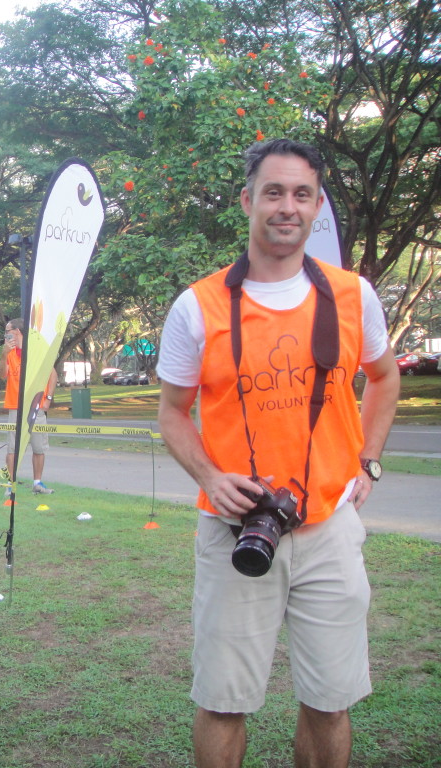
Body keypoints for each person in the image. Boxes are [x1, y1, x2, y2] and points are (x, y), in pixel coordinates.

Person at [156, 139, 399, 768]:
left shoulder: (353, 295)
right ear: (247, 201)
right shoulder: (198, 306)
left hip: (329, 532)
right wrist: (211, 475)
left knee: (330, 699)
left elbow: (385, 375)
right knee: (222, 700)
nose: (286, 207)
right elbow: (171, 412)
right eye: (273, 192)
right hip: (233, 531)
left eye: (301, 194)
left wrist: (368, 459)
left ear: (317, 205)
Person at [0, 318, 57, 494]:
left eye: (8, 331)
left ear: (18, 331)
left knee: (39, 447)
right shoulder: (8, 351)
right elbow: (2, 375)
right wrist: (3, 355)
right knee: (13, 448)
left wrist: (48, 399)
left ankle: (37, 483)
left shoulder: (37, 351)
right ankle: (10, 485)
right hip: (15, 407)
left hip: (36, 407)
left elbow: (52, 376)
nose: (6, 334)